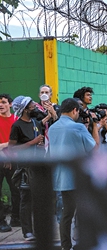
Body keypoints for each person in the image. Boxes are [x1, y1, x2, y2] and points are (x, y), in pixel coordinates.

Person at [48, 98, 99, 250]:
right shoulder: (78, 127)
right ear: (75, 110)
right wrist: (95, 126)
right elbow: (94, 148)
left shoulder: (52, 128)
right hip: (79, 177)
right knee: (84, 212)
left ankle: (66, 246)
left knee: (66, 214)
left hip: (61, 177)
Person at [8, 96, 46, 241]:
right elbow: (12, 148)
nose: (34, 107)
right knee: (26, 200)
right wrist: (32, 143)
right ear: (24, 109)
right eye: (31, 105)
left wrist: (39, 145)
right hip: (25, 168)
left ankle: (39, 230)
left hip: (38, 166)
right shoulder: (17, 126)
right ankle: (27, 232)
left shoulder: (35, 123)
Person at [0, 93, 20, 232]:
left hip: (14, 160)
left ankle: (16, 218)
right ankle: (1, 221)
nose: (1, 105)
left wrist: (5, 145)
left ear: (10, 104)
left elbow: (20, 142)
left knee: (17, 191)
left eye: (3, 102)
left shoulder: (16, 120)